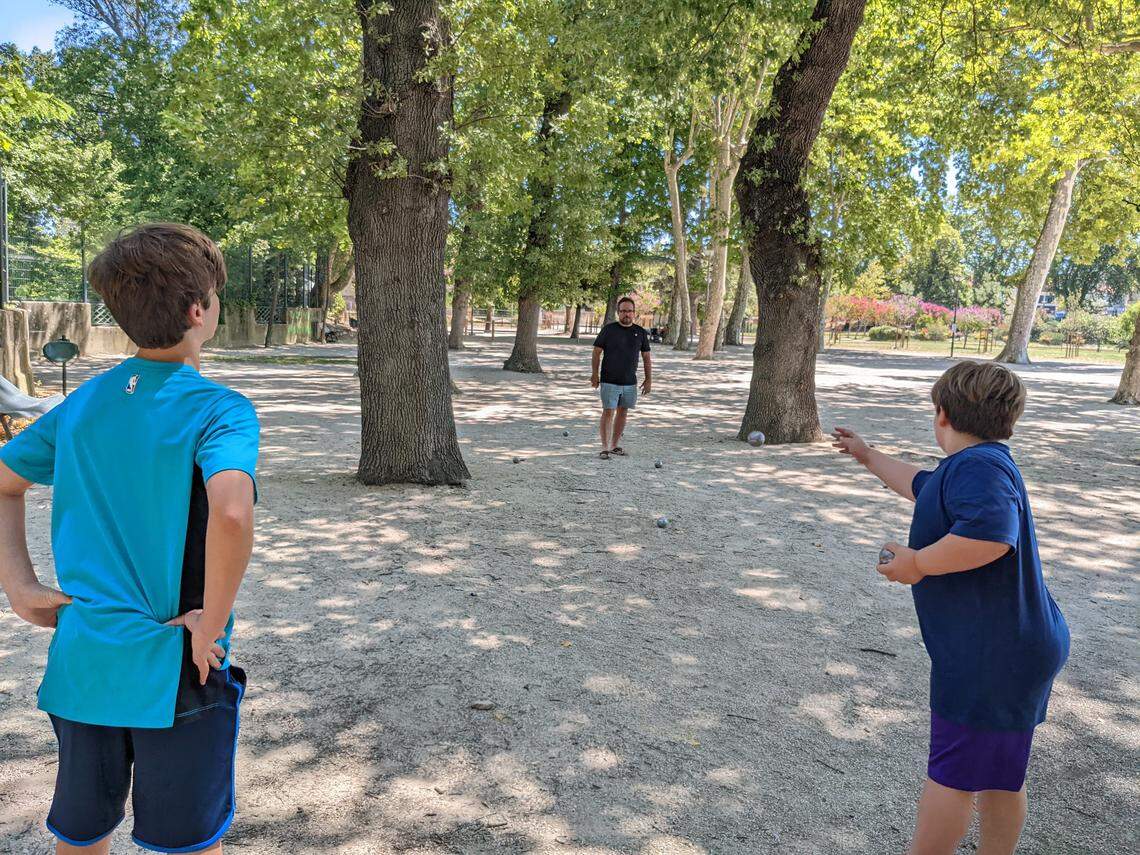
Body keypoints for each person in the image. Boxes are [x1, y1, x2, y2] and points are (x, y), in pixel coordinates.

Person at [0, 223, 260, 854]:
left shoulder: (83, 403)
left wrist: (21, 588)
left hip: (85, 658)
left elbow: (3, 481)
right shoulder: (220, 409)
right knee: (187, 840)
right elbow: (230, 512)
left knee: (82, 831)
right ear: (200, 311)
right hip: (179, 661)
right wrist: (211, 621)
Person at [831, 360, 1069, 855]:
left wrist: (918, 563)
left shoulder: (978, 469)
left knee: (951, 775)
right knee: (1000, 773)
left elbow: (989, 537)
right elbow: (920, 485)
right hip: (1017, 646)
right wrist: (868, 455)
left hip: (992, 656)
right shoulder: (975, 465)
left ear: (942, 414)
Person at [590, 296, 652, 459]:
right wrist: (595, 374)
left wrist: (649, 379)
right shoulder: (609, 330)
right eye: (623, 311)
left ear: (634, 313)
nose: (627, 314)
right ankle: (605, 447)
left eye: (630, 311)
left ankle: (614, 445)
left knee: (623, 412)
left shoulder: (640, 332)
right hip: (609, 379)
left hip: (630, 382)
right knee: (608, 412)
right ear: (618, 312)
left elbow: (646, 357)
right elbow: (596, 352)